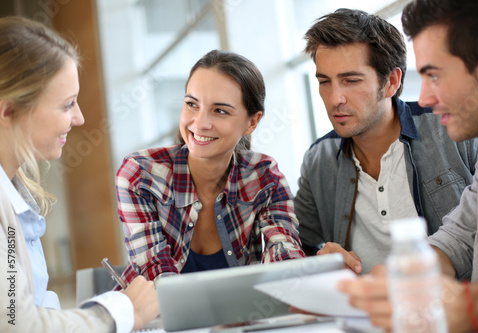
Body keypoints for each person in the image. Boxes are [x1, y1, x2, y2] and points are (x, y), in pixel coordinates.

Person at [338, 0, 478, 331]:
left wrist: (472, 309)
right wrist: (410, 277)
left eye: (434, 75)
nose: (423, 98)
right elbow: (465, 232)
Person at [0, 16, 158, 332]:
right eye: (67, 104)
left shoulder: (13, 197)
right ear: (8, 111)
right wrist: (124, 311)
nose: (80, 118)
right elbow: (18, 324)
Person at [294, 8, 478, 274]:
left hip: (458, 308)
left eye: (350, 80)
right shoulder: (319, 159)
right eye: (325, 82)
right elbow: (299, 245)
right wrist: (319, 258)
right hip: (362, 312)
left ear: (391, 82)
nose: (335, 99)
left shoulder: (452, 130)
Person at [116, 50, 305, 284]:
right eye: (192, 104)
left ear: (252, 122)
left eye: (220, 111)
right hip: (158, 318)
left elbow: (284, 251)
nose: (201, 123)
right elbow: (154, 274)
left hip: (242, 319)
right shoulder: (141, 174)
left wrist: (299, 274)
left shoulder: (264, 177)